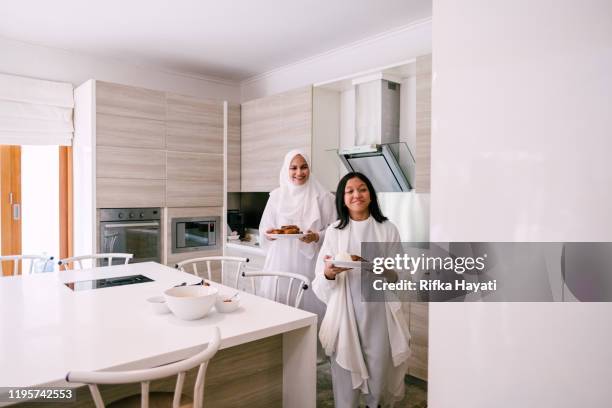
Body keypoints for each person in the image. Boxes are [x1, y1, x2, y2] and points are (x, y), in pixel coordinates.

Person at [313, 172, 411, 408]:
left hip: (379, 312)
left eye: (362, 189)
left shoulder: (387, 229)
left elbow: (402, 274)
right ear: (342, 198)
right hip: (344, 311)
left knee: (379, 369)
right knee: (345, 373)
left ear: (371, 194)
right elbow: (320, 277)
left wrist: (384, 271)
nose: (357, 194)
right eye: (350, 191)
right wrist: (329, 273)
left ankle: (375, 403)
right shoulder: (335, 231)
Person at [258, 149, 336, 321]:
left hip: (309, 264)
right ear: (286, 169)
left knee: (308, 313)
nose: (299, 173)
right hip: (280, 262)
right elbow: (264, 228)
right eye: (293, 168)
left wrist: (316, 236)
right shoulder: (276, 196)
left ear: (309, 169)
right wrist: (269, 235)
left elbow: (334, 232)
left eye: (304, 167)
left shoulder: (324, 197)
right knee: (278, 313)